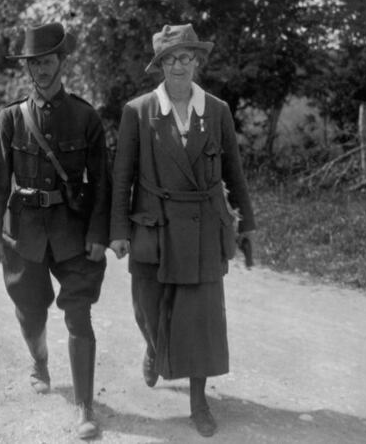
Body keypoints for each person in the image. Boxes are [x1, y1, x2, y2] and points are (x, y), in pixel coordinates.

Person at [108, 24, 256, 437]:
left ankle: (198, 402)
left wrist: (248, 224)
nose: (179, 65)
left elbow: (234, 173)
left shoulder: (218, 110)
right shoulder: (138, 111)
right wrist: (118, 230)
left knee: (200, 319)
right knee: (146, 308)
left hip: (204, 225)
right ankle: (156, 349)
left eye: (186, 57)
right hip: (153, 224)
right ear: (160, 66)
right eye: (170, 59)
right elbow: (122, 177)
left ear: (196, 62)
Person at [0, 22, 110, 439]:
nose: (41, 70)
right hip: (25, 233)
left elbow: (102, 186)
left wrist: (98, 235)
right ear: (27, 69)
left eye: (48, 61)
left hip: (73, 231)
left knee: (78, 313)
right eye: (34, 63)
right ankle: (39, 361)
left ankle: (85, 407)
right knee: (30, 309)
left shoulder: (85, 117)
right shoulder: (10, 119)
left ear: (61, 62)